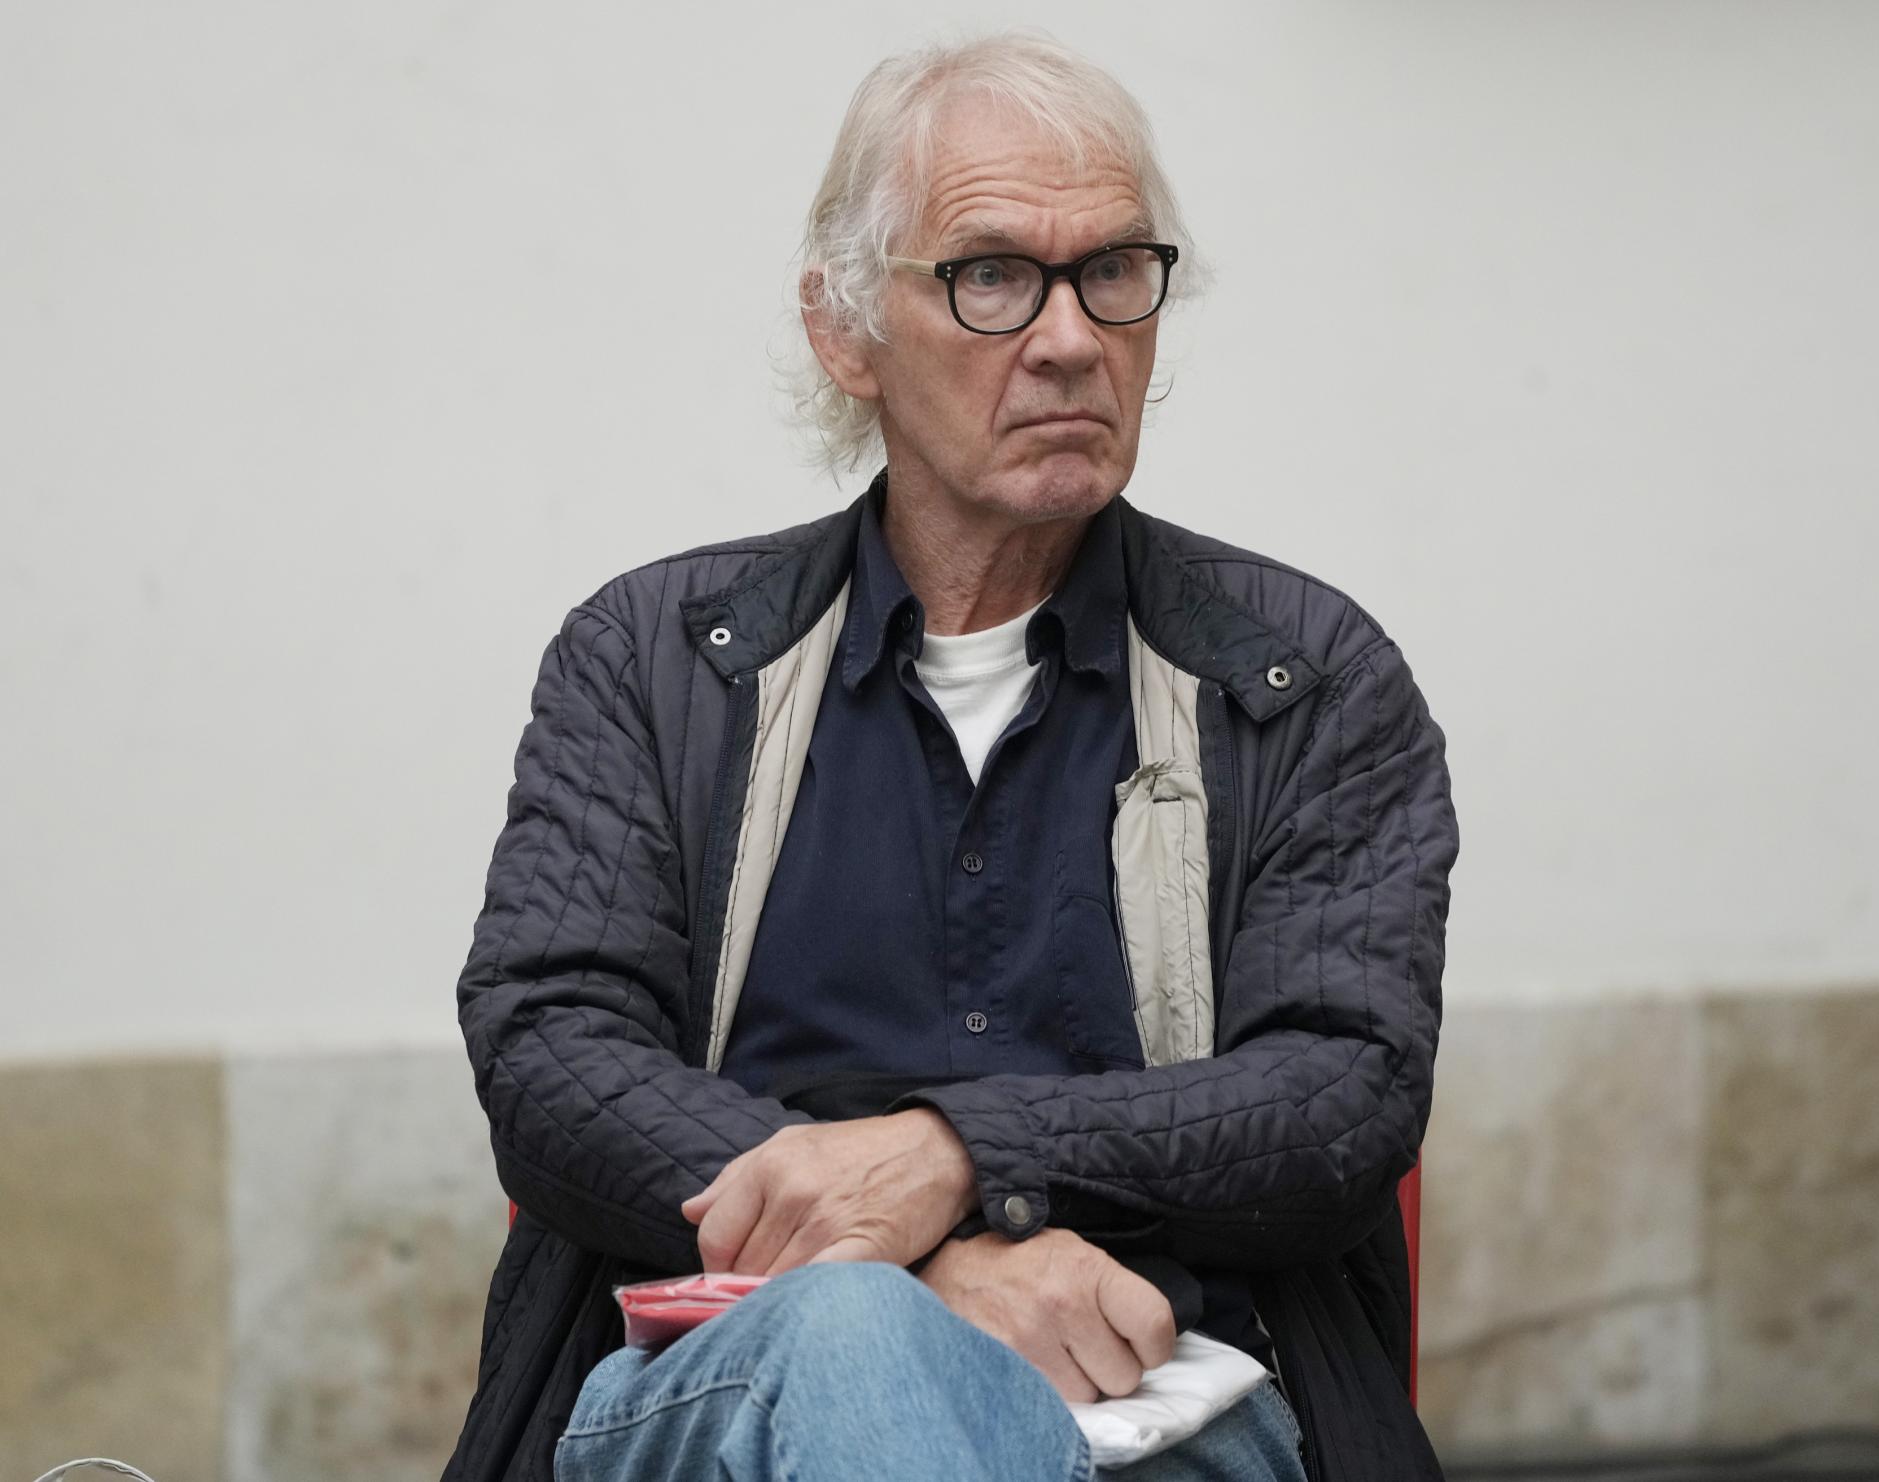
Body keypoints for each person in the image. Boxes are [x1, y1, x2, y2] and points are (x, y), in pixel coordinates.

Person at [442, 31, 1457, 1482]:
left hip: (1170, 1402)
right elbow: (552, 1055)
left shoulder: (1300, 681)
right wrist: (915, 1268)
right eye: (990, 275)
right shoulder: (655, 660)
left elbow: (1340, 1094)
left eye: (1113, 270)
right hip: (730, 1388)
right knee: (852, 1337)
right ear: (844, 329)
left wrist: (962, 1155)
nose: (1070, 337)